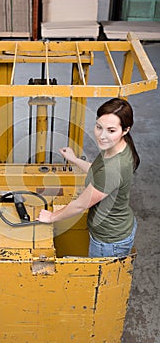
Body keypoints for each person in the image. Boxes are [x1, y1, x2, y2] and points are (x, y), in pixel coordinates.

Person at [37, 98, 140, 257]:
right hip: (119, 227)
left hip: (109, 241)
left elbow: (79, 205)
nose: (102, 136)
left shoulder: (114, 168)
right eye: (99, 127)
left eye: (111, 131)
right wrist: (75, 160)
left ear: (126, 130)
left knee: (101, 282)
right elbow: (97, 171)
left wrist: (51, 217)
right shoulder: (119, 146)